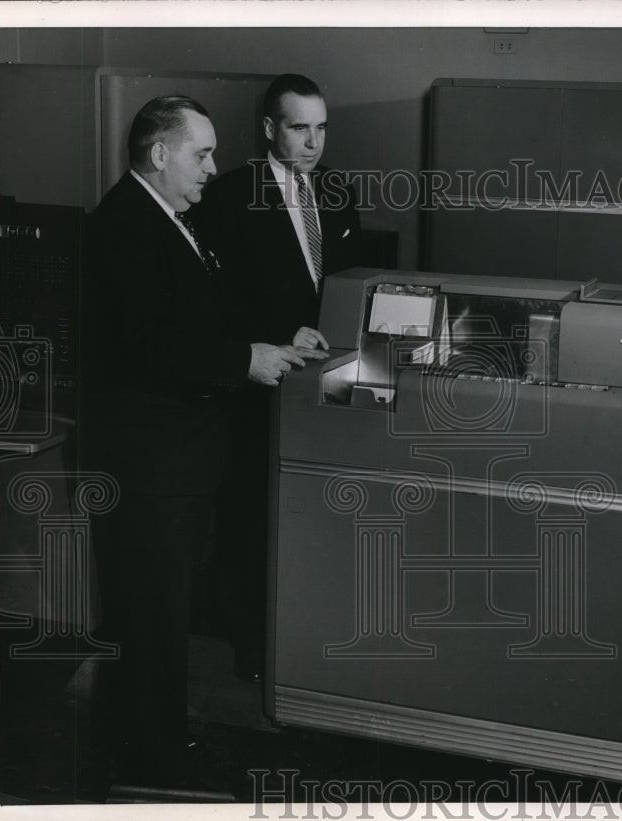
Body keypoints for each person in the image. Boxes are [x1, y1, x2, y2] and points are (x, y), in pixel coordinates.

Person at [80, 95, 325, 789]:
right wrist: (245, 360)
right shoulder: (123, 227)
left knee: (161, 614)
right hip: (148, 466)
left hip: (176, 462)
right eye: (203, 153)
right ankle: (149, 760)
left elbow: (205, 315)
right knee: (150, 615)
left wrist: (274, 338)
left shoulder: (170, 218)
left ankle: (151, 741)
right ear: (160, 154)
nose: (213, 168)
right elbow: (150, 344)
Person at [198, 74, 362, 682]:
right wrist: (280, 331)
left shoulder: (337, 190)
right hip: (259, 384)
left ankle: (306, 645)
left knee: (315, 512)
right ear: (270, 128)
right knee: (250, 516)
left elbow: (347, 283)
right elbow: (214, 302)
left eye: (321, 129)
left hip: (325, 382)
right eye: (299, 128)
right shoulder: (230, 195)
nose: (313, 143)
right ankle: (252, 649)